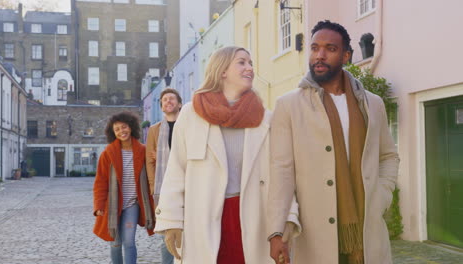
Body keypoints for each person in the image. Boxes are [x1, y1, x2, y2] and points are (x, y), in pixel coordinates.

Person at [268, 20, 400, 264]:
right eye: (315, 47)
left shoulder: (372, 104)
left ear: (346, 55)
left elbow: (388, 156)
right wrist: (278, 230)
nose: (320, 55)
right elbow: (281, 170)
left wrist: (381, 195)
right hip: (314, 230)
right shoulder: (288, 105)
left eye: (330, 49)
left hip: (366, 225)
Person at [154, 46, 299, 264]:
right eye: (242, 62)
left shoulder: (266, 118)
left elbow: (282, 174)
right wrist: (172, 219)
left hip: (254, 219)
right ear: (222, 70)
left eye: (251, 63)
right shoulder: (191, 114)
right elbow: (177, 169)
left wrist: (288, 217)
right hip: (203, 219)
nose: (249, 68)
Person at [93, 111, 155, 264]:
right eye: (117, 129)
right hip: (112, 205)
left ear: (131, 127)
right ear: (113, 133)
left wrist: (157, 159)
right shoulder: (108, 153)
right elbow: (101, 181)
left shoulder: (142, 150)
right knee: (115, 243)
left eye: (124, 127)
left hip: (132, 205)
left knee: (129, 242)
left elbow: (152, 175)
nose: (122, 131)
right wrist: (99, 205)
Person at [145, 88, 182, 264]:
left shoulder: (188, 125)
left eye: (171, 98)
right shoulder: (154, 130)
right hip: (163, 188)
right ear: (161, 106)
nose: (168, 101)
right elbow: (149, 161)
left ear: (179, 104)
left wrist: (162, 156)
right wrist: (153, 187)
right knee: (166, 232)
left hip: (186, 186)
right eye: (164, 100)